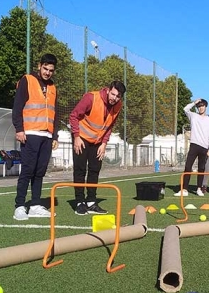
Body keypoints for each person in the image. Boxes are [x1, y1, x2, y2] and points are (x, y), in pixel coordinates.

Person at [12, 53, 61, 220]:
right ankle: (19, 206)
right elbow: (17, 106)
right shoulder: (27, 80)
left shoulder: (53, 87)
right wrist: (19, 129)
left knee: (40, 172)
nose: (48, 72)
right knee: (27, 170)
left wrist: (55, 136)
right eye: (45, 69)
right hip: (30, 133)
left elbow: (56, 113)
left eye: (51, 70)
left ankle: (35, 205)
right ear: (39, 66)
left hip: (47, 136)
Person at [69, 80, 127, 215]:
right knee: (80, 170)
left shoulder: (118, 106)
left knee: (95, 170)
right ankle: (79, 202)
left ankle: (91, 201)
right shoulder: (91, 97)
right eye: (113, 94)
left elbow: (110, 125)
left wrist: (104, 143)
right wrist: (76, 136)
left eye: (118, 96)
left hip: (98, 142)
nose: (114, 98)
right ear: (108, 90)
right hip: (81, 138)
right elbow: (73, 116)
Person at [176, 98, 209, 197]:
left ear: (205, 107)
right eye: (199, 106)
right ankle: (185, 189)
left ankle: (199, 188)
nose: (200, 108)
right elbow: (185, 109)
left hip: (204, 147)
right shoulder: (193, 116)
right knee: (188, 166)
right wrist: (194, 102)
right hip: (194, 145)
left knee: (201, 168)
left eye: (202, 106)